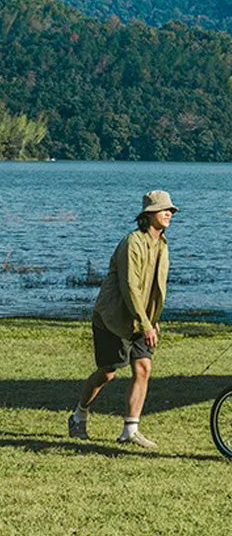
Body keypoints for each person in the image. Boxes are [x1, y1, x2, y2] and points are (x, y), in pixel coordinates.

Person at [67, 190, 178, 448]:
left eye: (171, 210)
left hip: (141, 319)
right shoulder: (132, 243)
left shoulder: (162, 244)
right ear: (148, 215)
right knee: (108, 372)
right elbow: (130, 287)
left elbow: (155, 287)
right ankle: (79, 415)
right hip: (113, 318)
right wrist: (146, 322)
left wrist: (152, 318)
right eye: (164, 210)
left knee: (143, 368)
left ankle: (130, 430)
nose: (169, 214)